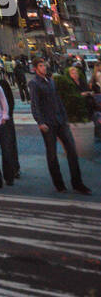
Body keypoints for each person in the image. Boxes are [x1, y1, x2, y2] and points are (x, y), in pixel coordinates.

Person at [28, 58, 91, 195]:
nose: (43, 68)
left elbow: (58, 100)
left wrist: (64, 117)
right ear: (35, 68)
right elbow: (35, 105)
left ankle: (77, 183)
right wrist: (40, 122)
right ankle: (59, 184)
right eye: (40, 66)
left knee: (72, 151)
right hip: (48, 123)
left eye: (44, 65)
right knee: (52, 155)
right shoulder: (34, 83)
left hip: (60, 120)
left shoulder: (51, 81)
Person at [0, 61, 20, 178]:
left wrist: (8, 115)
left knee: (10, 143)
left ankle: (15, 168)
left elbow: (10, 101)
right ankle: (5, 171)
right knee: (0, 146)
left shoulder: (3, 84)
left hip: (6, 118)